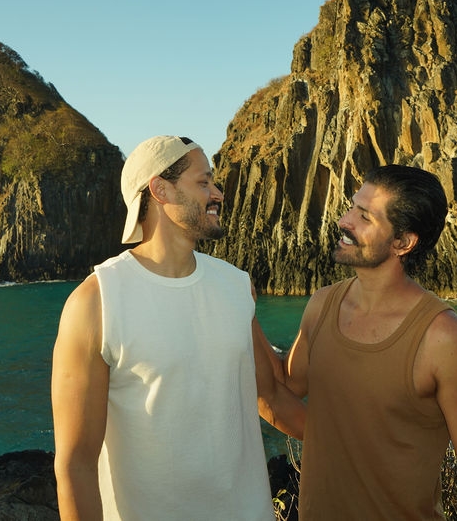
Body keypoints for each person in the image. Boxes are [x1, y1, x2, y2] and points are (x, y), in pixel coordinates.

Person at [51, 135, 300, 521]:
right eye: (203, 182)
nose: (218, 193)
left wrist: (356, 444)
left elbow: (268, 396)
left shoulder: (236, 286)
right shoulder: (96, 302)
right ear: (160, 190)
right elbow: (75, 463)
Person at [279, 164, 457, 520]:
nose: (344, 221)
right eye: (352, 207)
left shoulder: (441, 336)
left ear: (403, 242)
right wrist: (240, 311)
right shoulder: (322, 305)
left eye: (364, 216)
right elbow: (285, 388)